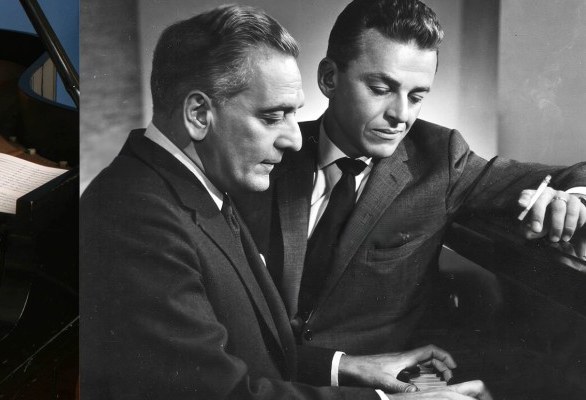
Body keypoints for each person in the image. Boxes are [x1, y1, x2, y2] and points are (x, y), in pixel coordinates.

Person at [81, 4, 493, 400]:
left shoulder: (195, 189)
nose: (295, 140)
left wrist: (346, 367)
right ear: (198, 114)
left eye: (294, 113)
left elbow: (245, 353)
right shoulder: (137, 217)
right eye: (273, 116)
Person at [234, 0, 586, 356]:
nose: (401, 115)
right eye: (381, 89)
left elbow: (565, 175)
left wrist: (574, 196)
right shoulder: (270, 150)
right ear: (329, 78)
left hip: (381, 390)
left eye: (416, 96)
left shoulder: (440, 159)